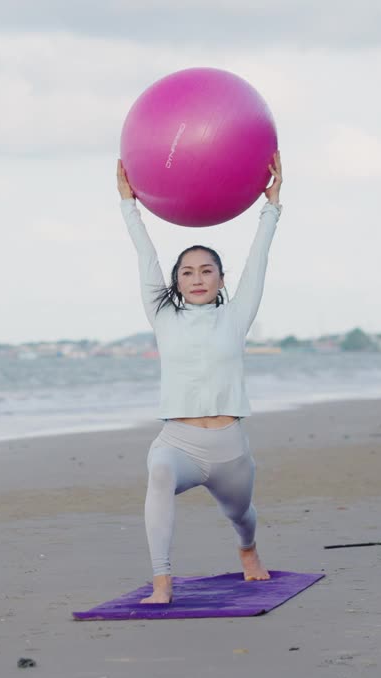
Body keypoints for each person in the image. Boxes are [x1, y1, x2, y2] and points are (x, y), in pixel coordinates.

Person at [116, 153, 283, 604]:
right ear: (175, 282)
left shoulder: (236, 314)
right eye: (187, 272)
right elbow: (145, 255)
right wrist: (129, 205)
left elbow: (259, 260)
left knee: (242, 513)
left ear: (221, 278)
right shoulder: (163, 315)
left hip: (230, 448)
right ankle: (162, 581)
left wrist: (271, 206)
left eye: (206, 270)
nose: (196, 278)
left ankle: (247, 549)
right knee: (158, 471)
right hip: (179, 441)